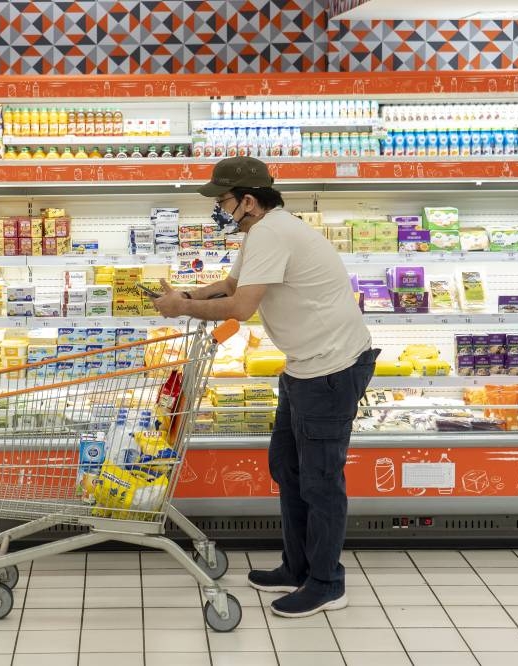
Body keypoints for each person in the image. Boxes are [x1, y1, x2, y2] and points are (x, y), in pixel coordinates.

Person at [152, 156, 378, 618]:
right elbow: (232, 283)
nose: (218, 209)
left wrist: (182, 309)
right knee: (290, 471)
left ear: (248, 201)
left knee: (320, 482)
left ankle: (327, 583)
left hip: (331, 369)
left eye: (222, 201)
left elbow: (242, 306)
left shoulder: (273, 232)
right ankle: (298, 567)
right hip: (303, 367)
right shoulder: (261, 232)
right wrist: (188, 294)